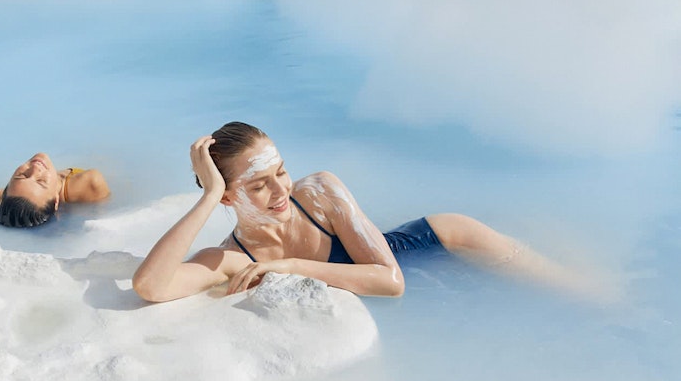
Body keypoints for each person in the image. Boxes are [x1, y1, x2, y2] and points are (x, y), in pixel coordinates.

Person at [133, 122, 594, 303]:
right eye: (257, 184)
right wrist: (209, 193)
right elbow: (150, 286)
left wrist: (289, 266)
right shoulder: (234, 258)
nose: (279, 189)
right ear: (230, 198)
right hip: (413, 279)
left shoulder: (319, 192)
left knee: (578, 292)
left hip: (438, 243)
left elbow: (390, 282)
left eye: (281, 171)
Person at [0, 152, 110, 228]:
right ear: (56, 201)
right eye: (41, 181)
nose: (35, 169)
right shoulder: (91, 183)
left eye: (23, 176)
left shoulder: (7, 198)